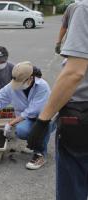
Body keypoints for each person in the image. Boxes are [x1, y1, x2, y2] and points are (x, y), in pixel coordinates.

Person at [27, 1, 88, 199]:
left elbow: (74, 73)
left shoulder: (83, 7)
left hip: (81, 114)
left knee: (73, 188)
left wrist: (43, 121)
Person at [0, 61, 55, 170]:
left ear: (30, 78)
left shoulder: (42, 87)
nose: (17, 86)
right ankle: (33, 143)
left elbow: (31, 111)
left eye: (20, 82)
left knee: (41, 126)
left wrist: (10, 123)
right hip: (29, 118)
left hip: (45, 119)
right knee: (21, 131)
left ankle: (40, 154)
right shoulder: (13, 85)